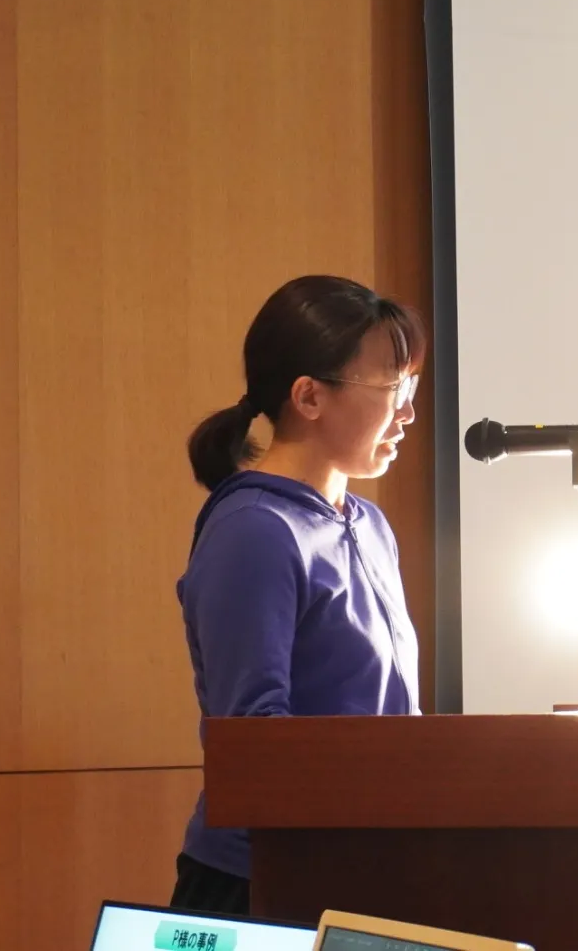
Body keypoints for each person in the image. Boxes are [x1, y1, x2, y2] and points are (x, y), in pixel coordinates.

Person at [169, 274, 427, 915]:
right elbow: (257, 742)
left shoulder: (370, 525)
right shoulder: (255, 528)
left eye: (412, 389)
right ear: (309, 396)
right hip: (265, 878)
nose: (408, 414)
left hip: (365, 860)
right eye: (393, 390)